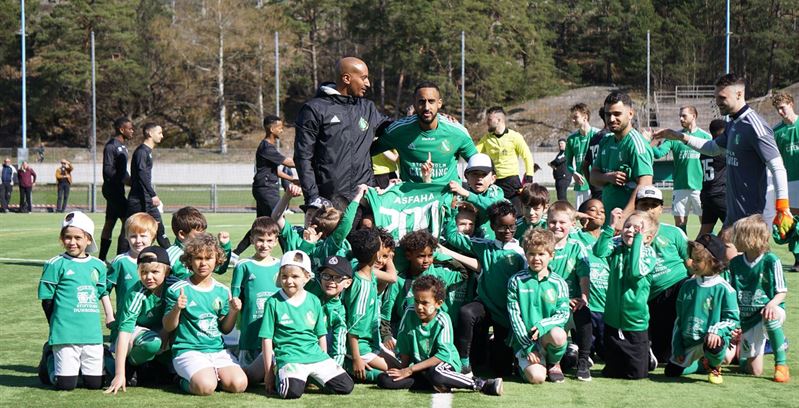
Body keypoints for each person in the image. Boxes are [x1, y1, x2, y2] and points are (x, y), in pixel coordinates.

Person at [653, 74, 794, 238]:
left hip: (752, 215)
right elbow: (712, 148)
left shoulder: (755, 126)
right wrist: (679, 136)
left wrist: (783, 206)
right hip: (733, 212)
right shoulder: (733, 124)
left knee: (748, 259)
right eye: (715, 97)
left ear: (739, 94)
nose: (717, 102)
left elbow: (777, 167)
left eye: (722, 97)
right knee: (718, 257)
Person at [377, 275, 504, 395]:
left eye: (425, 303)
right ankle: (439, 383)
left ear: (438, 303)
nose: (419, 307)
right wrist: (403, 370)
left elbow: (443, 355)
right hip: (422, 368)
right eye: (416, 301)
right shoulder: (409, 313)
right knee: (384, 379)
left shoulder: (443, 319)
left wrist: (410, 370)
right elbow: (404, 345)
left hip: (444, 363)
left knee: (436, 373)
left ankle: (481, 384)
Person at [443, 200, 527, 376]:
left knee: (501, 370)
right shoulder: (483, 245)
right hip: (484, 305)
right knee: (466, 312)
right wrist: (451, 213)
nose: (508, 231)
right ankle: (463, 361)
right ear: (493, 226)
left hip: (506, 312)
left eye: (512, 226)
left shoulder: (521, 253)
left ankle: (496, 352)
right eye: (502, 227)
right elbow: (452, 236)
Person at [294, 57, 390, 209]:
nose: (368, 84)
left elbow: (392, 129)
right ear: (346, 78)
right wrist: (313, 197)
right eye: (364, 78)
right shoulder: (314, 109)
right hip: (329, 203)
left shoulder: (367, 108)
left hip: (364, 200)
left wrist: (416, 120)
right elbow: (303, 157)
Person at [260, 250, 355, 399]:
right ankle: (286, 375)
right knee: (292, 392)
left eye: (295, 276)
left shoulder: (314, 300)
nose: (289, 281)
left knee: (346, 386)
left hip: (315, 356)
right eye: (284, 276)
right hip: (290, 357)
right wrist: (268, 373)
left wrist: (324, 360)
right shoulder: (273, 302)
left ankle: (309, 377)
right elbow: (266, 339)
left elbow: (321, 335)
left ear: (307, 277)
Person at [163, 233, 247, 396]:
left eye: (208, 258)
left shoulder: (222, 291)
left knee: (239, 384)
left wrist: (233, 312)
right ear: (189, 260)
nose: (203, 263)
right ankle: (179, 380)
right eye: (198, 258)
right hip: (188, 350)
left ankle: (213, 374)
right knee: (205, 387)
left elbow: (225, 329)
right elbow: (168, 326)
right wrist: (177, 309)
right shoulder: (178, 289)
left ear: (217, 260)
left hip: (217, 350)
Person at [37, 211, 110, 390]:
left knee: (95, 384)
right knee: (65, 385)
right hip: (65, 333)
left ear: (88, 239)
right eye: (67, 237)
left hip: (91, 333)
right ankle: (50, 358)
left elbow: (102, 292)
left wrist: (110, 315)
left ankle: (105, 354)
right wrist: (56, 325)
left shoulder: (98, 266)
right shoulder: (55, 264)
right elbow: (47, 300)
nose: (72, 242)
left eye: (78, 237)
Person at [665, 234, 739, 384]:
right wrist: (678, 348)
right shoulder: (686, 286)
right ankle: (700, 364)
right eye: (692, 258)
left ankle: (714, 365)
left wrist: (716, 331)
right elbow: (679, 320)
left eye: (698, 260)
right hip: (689, 343)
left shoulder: (725, 289)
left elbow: (732, 320)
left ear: (713, 261)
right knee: (671, 372)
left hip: (710, 341)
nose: (692, 263)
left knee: (715, 344)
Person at [593, 209, 658, 379]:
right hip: (612, 319)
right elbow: (598, 252)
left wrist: (637, 240)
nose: (630, 230)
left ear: (648, 238)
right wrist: (611, 226)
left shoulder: (649, 253)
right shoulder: (617, 246)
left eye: (637, 229)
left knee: (636, 375)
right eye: (628, 226)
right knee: (612, 372)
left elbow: (635, 272)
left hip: (635, 322)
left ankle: (647, 356)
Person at [372, 81, 478, 184]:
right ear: (414, 103)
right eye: (422, 102)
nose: (427, 107)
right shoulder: (398, 131)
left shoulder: (457, 132)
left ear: (439, 103)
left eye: (431, 101)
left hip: (447, 197)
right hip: (412, 197)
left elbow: (478, 163)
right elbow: (365, 152)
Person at [728, 215, 790, 382]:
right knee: (754, 370)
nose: (734, 239)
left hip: (769, 311)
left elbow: (782, 292)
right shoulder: (735, 263)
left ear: (750, 238)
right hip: (747, 319)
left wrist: (771, 304)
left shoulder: (771, 260)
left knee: (771, 315)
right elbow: (730, 295)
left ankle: (781, 365)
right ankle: (744, 356)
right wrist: (735, 322)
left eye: (738, 235)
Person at [105, 246, 173, 394]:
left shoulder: (174, 286)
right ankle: (130, 365)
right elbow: (125, 332)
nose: (148, 277)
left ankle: (156, 365)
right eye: (143, 272)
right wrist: (119, 374)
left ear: (166, 271)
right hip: (134, 335)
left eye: (155, 272)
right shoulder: (137, 293)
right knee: (153, 343)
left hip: (161, 331)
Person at [635, 186, 690, 364]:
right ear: (636, 206)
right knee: (663, 356)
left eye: (654, 205)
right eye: (644, 204)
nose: (649, 209)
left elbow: (690, 262)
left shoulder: (674, 232)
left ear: (661, 208)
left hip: (676, 287)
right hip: (649, 296)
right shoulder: (629, 233)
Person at [508, 229, 570, 384]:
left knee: (559, 335)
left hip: (547, 338)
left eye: (541, 254)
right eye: (531, 254)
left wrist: (542, 325)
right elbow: (515, 318)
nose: (536, 258)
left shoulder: (559, 282)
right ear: (525, 255)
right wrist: (528, 347)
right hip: (525, 341)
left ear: (551, 255)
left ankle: (554, 363)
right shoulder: (516, 281)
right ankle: (521, 362)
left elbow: (563, 314)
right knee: (537, 378)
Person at [232, 115, 296, 259]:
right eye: (280, 127)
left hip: (263, 189)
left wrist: (293, 179)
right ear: (272, 129)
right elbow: (289, 163)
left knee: (260, 225)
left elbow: (275, 171)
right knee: (279, 221)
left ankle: (235, 254)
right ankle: (289, 256)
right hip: (267, 190)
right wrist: (309, 163)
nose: (282, 130)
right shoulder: (266, 147)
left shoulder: (268, 147)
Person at [229, 216, 281, 383]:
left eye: (269, 240)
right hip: (250, 324)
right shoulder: (244, 265)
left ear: (275, 241)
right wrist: (235, 301)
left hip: (273, 325)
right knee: (248, 377)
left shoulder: (280, 265)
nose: (264, 245)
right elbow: (235, 291)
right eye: (260, 240)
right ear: (252, 239)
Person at [545, 201, 592, 380]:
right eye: (553, 222)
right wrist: (562, 301)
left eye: (562, 222)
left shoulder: (576, 247)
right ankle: (554, 362)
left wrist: (584, 297)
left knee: (584, 313)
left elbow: (584, 276)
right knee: (561, 354)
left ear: (572, 224)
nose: (557, 226)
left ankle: (583, 360)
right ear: (547, 221)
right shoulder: (542, 247)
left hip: (573, 302)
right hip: (550, 304)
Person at [590, 91, 654, 223]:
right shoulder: (606, 140)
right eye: (608, 114)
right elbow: (593, 177)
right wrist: (607, 177)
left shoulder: (636, 144)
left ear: (630, 114)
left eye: (617, 114)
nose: (611, 119)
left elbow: (645, 184)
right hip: (609, 220)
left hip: (628, 223)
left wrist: (622, 218)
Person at [651, 106, 710, 233]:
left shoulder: (706, 137)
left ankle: (708, 251)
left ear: (693, 116)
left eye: (684, 116)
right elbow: (658, 154)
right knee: (680, 226)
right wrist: (650, 142)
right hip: (680, 187)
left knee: (706, 224)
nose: (680, 118)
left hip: (700, 188)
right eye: (680, 116)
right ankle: (683, 252)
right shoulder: (673, 138)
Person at [106, 213, 158, 347]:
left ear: (152, 237)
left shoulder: (159, 261)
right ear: (126, 237)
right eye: (133, 236)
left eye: (143, 236)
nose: (138, 240)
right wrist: (109, 314)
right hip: (126, 323)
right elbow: (103, 290)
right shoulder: (121, 262)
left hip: (153, 323)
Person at [476, 106, 535, 208]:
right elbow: (473, 153)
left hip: (511, 182)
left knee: (517, 215)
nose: (487, 122)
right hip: (494, 182)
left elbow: (527, 156)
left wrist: (529, 179)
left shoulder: (515, 136)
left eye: (489, 120)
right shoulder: (486, 139)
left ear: (498, 120)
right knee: (494, 215)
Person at [574, 198, 609, 360]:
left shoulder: (609, 238)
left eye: (602, 211)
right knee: (584, 350)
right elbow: (556, 215)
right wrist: (577, 215)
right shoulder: (576, 237)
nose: (599, 213)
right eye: (593, 210)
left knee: (604, 352)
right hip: (585, 305)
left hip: (605, 306)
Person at [127, 123, 170, 249]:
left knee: (159, 229)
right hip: (139, 200)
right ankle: (122, 261)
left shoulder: (147, 152)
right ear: (150, 134)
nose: (162, 136)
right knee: (131, 230)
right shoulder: (142, 152)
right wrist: (153, 194)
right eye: (159, 133)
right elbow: (142, 175)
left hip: (145, 199)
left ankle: (170, 258)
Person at [99, 117, 134, 261]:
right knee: (128, 221)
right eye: (130, 128)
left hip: (117, 190)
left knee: (110, 223)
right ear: (121, 129)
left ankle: (101, 259)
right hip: (112, 191)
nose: (132, 131)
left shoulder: (123, 146)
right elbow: (107, 171)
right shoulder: (111, 146)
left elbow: (122, 171)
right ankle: (121, 258)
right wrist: (123, 179)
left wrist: (131, 181)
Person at [771, 92, 799, 271]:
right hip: (789, 182)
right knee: (793, 221)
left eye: (783, 107)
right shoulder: (776, 132)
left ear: (791, 104)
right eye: (777, 109)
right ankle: (798, 259)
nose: (780, 112)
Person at [448, 153, 505, 239]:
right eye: (475, 174)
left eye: (484, 174)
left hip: (489, 246)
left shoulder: (495, 192)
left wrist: (467, 194)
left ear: (493, 178)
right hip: (465, 244)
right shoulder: (459, 195)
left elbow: (492, 206)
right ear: (466, 176)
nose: (479, 178)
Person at [166, 206, 232, 279]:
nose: (203, 237)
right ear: (182, 234)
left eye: (204, 232)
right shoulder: (171, 258)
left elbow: (219, 269)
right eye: (199, 234)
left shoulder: (202, 249)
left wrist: (225, 247)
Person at [565, 103, 601, 208]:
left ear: (585, 117)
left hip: (597, 183)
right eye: (572, 118)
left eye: (575, 117)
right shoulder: (572, 139)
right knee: (582, 217)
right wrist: (574, 173)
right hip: (581, 185)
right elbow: (568, 163)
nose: (573, 120)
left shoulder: (598, 135)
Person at [698, 119, 728, 237]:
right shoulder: (721, 150)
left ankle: (690, 254)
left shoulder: (705, 149)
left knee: (705, 230)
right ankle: (717, 245)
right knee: (734, 225)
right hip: (720, 193)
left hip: (707, 194)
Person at [582, 107, 612, 200]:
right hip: (608, 185)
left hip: (596, 186)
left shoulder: (595, 137)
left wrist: (592, 184)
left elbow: (584, 165)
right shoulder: (611, 137)